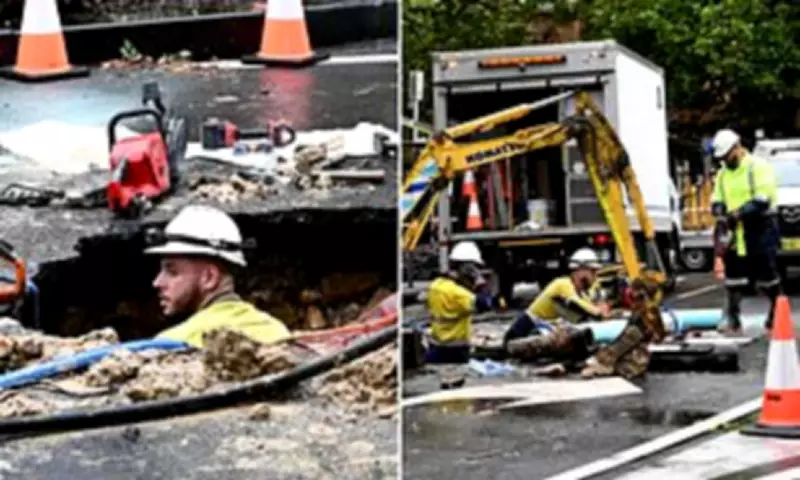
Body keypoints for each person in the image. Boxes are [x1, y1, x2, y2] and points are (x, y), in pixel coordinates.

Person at [144, 205, 292, 348]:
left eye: (172, 272)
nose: (157, 282)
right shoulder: (276, 331)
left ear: (209, 277)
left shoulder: (171, 343)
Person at [709, 129, 781, 333]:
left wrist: (738, 214)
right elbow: (717, 198)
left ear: (737, 147)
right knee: (734, 278)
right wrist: (720, 211)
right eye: (722, 157)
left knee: (767, 276)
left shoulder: (757, 167)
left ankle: (777, 314)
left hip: (759, 228)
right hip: (735, 232)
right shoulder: (723, 174)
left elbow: (762, 199)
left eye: (727, 155)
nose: (725, 160)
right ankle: (733, 319)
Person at [503, 248, 611, 360]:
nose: (595, 277)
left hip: (538, 331)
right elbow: (581, 307)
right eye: (593, 272)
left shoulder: (582, 292)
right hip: (522, 334)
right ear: (580, 271)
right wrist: (599, 311)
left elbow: (593, 309)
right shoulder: (562, 284)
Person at [425, 241, 498, 364]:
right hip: (455, 351)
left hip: (435, 347)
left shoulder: (435, 286)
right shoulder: (458, 294)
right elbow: (485, 304)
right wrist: (479, 282)